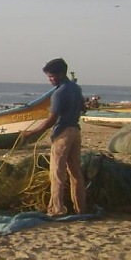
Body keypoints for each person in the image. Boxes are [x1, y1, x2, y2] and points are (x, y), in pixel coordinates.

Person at [20, 58, 88, 216]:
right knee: (75, 173)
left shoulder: (58, 93)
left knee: (57, 173)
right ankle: (81, 209)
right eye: (48, 77)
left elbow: (50, 121)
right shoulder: (76, 88)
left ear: (61, 73)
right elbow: (83, 108)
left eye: (52, 77)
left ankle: (56, 209)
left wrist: (31, 133)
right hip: (75, 132)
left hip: (63, 134)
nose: (50, 80)